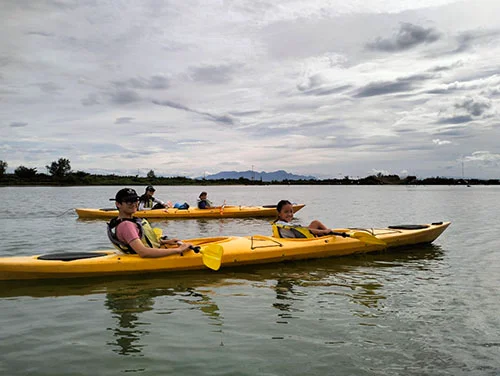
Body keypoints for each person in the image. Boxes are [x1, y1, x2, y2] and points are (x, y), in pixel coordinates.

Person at [107, 188, 192, 258]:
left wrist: (165, 242)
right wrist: (179, 250)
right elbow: (144, 252)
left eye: (135, 200)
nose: (133, 204)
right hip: (145, 258)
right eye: (129, 202)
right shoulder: (126, 225)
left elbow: (142, 240)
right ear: (118, 204)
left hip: (148, 251)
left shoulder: (130, 221)